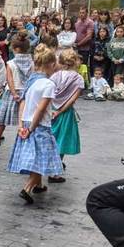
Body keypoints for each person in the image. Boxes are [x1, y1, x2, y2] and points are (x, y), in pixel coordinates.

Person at [6, 44, 63, 204]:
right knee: (42, 158)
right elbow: (41, 109)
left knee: (35, 155)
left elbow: (22, 102)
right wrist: (31, 129)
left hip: (26, 121)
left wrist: (21, 125)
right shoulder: (48, 84)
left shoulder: (31, 81)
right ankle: (27, 188)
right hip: (40, 125)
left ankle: (38, 184)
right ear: (51, 65)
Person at [0, 31, 33, 147]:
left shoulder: (11, 63)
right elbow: (32, 78)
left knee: (1, 116)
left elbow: (9, 79)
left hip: (11, 92)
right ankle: (25, 136)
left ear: (16, 49)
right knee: (25, 117)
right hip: (26, 92)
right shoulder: (31, 62)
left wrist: (14, 93)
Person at [49, 49, 84, 184]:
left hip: (51, 110)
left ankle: (49, 165)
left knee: (50, 138)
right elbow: (72, 99)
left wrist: (52, 108)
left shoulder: (55, 76)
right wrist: (61, 110)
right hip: (65, 113)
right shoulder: (78, 78)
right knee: (61, 141)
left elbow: (49, 92)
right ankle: (55, 172)